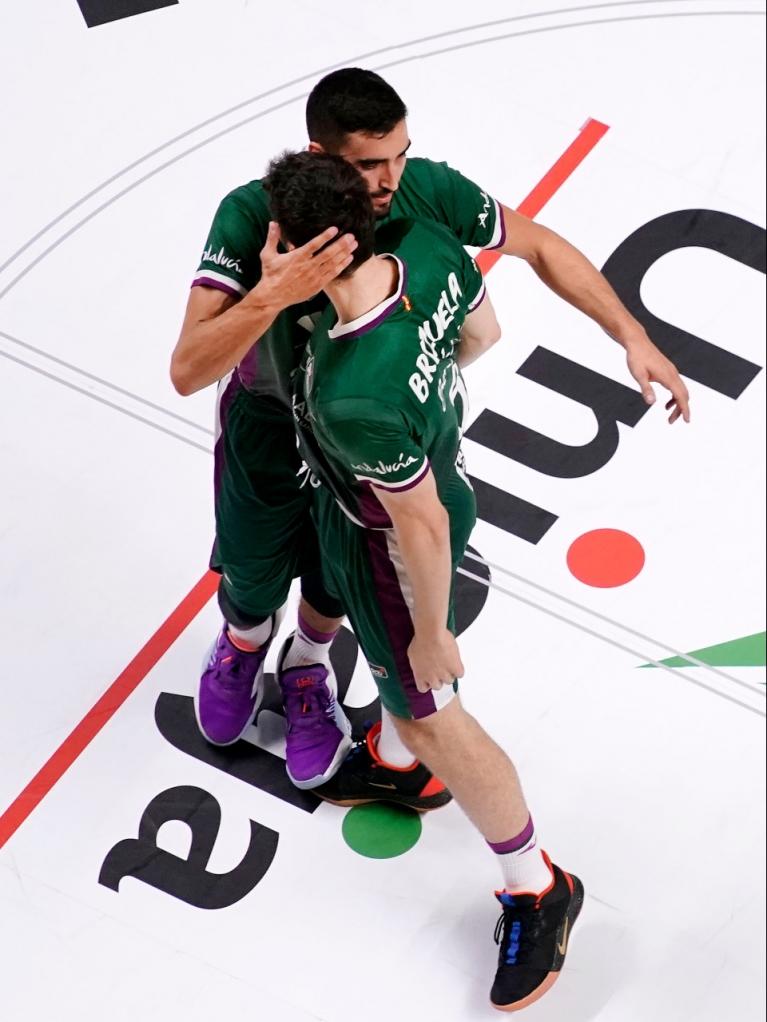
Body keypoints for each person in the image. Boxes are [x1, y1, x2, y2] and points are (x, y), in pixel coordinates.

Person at [170, 68, 690, 798]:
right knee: (252, 571)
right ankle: (244, 643)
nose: (387, 181)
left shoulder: (426, 190)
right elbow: (189, 369)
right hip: (267, 422)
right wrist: (272, 294)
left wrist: (629, 334)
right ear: (319, 153)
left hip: (351, 439)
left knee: (333, 573)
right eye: (367, 164)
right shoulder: (254, 214)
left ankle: (308, 664)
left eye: (399, 156)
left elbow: (539, 246)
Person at [266, 146, 580, 1013]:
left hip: (397, 541)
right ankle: (397, 767)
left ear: (314, 252)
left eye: (277, 247)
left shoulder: (349, 395)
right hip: (416, 480)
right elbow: (481, 336)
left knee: (430, 712)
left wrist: (432, 631)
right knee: (378, 652)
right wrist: (420, 409)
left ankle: (535, 886)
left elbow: (421, 527)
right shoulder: (430, 244)